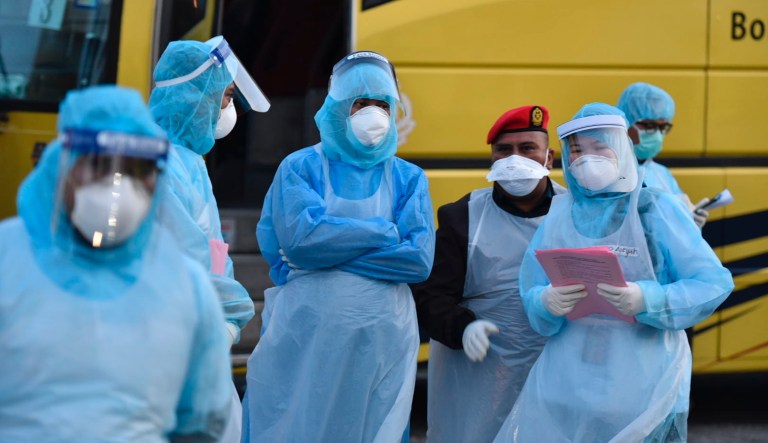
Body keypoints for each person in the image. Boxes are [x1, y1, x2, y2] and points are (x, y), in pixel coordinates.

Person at [0, 85, 232, 441]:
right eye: (98, 165)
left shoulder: (185, 288)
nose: (118, 187)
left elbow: (202, 423)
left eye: (138, 170)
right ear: (62, 165)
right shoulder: (7, 259)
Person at [493, 103, 734, 442]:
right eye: (576, 150)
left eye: (599, 147)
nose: (586, 159)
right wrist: (545, 302)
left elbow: (713, 283)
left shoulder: (655, 209)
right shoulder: (561, 214)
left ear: (622, 148)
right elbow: (531, 288)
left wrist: (648, 298)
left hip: (646, 386)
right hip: (568, 385)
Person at [242, 50, 435, 442]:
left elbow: (418, 261)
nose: (373, 113)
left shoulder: (408, 177)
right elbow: (301, 244)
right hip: (307, 335)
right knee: (294, 423)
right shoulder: (299, 168)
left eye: (382, 103)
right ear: (339, 106)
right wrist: (383, 231)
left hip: (382, 342)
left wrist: (333, 250)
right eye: (361, 102)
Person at [410, 105, 566, 443]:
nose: (514, 159)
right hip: (476, 378)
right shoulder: (463, 216)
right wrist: (462, 328)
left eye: (527, 149)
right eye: (503, 150)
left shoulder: (576, 214)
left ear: (548, 158)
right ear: (492, 159)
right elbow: (430, 294)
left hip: (557, 372)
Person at [148, 36, 269, 441]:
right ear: (195, 96)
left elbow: (211, 250)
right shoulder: (160, 165)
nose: (229, 109)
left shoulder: (188, 161)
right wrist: (231, 310)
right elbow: (184, 254)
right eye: (225, 96)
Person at [616, 82, 710, 228]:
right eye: (649, 126)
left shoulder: (661, 173)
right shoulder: (610, 170)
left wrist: (689, 221)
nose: (657, 135)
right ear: (626, 122)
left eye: (663, 127)